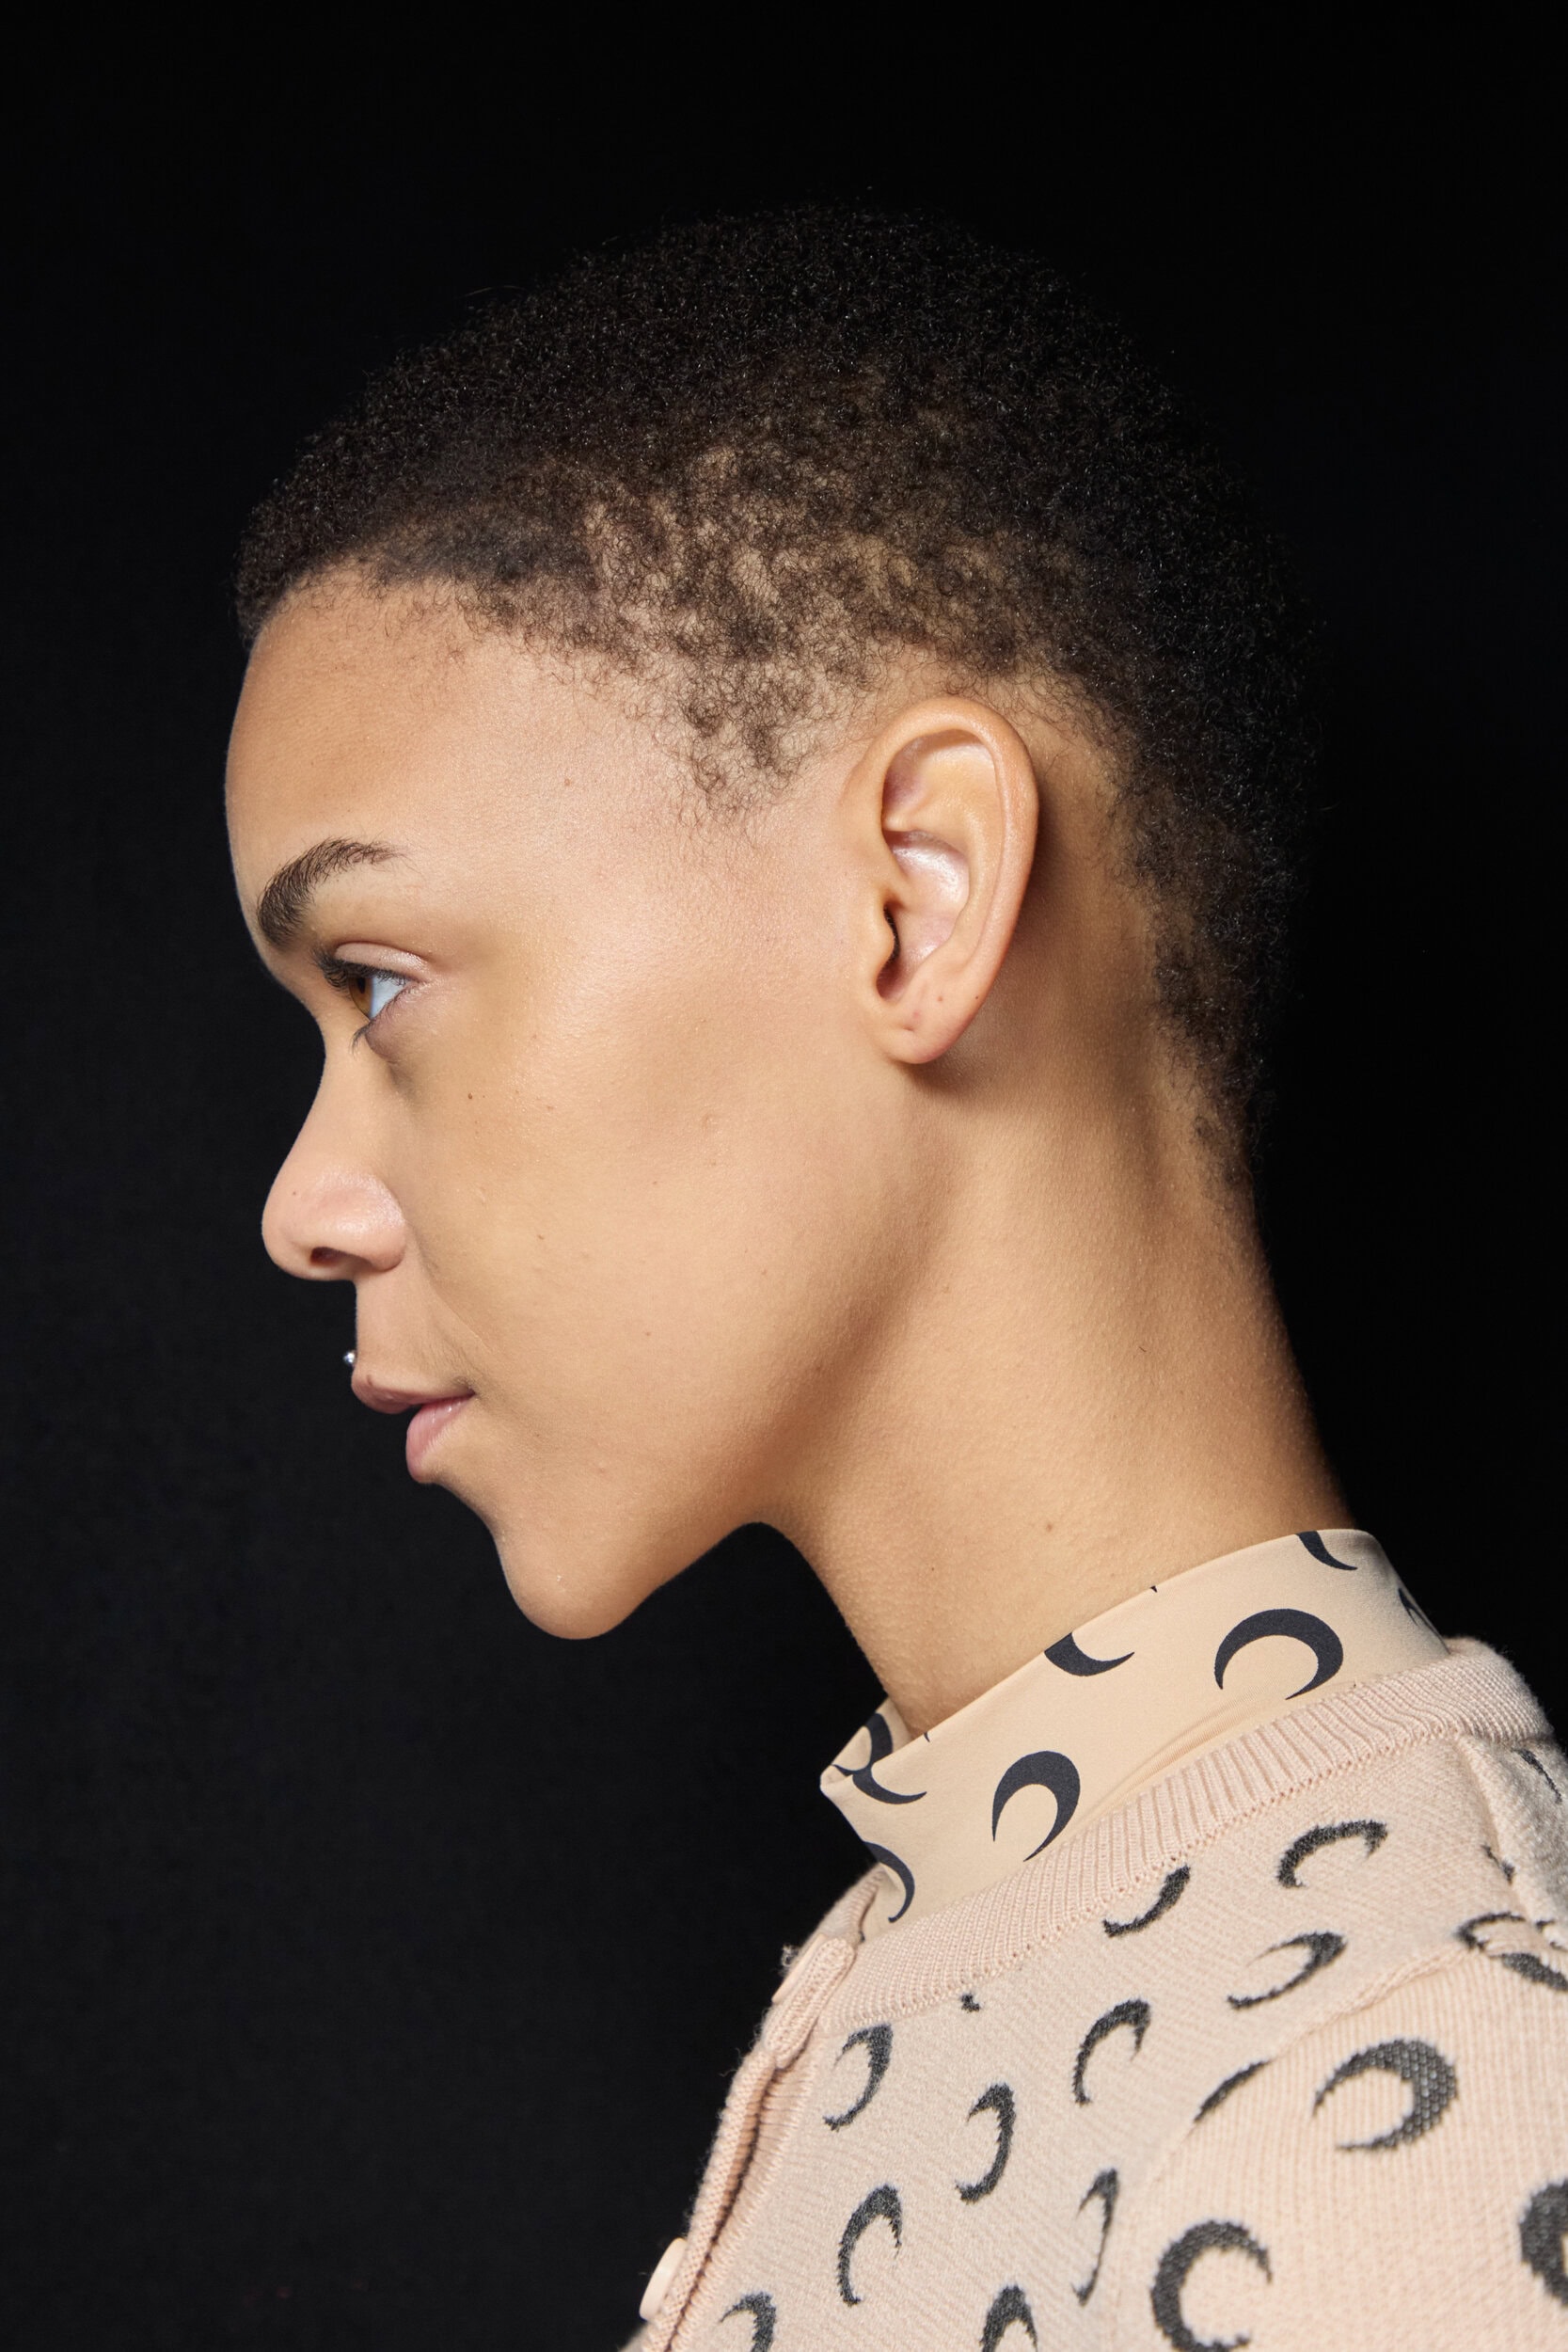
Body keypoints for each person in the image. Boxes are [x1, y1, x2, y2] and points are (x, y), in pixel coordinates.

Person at [225, 212, 1568, 2349]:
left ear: (916, 898)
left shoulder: (1424, 2082)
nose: (304, 1205)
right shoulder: (948, 1935)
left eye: (379, 983)